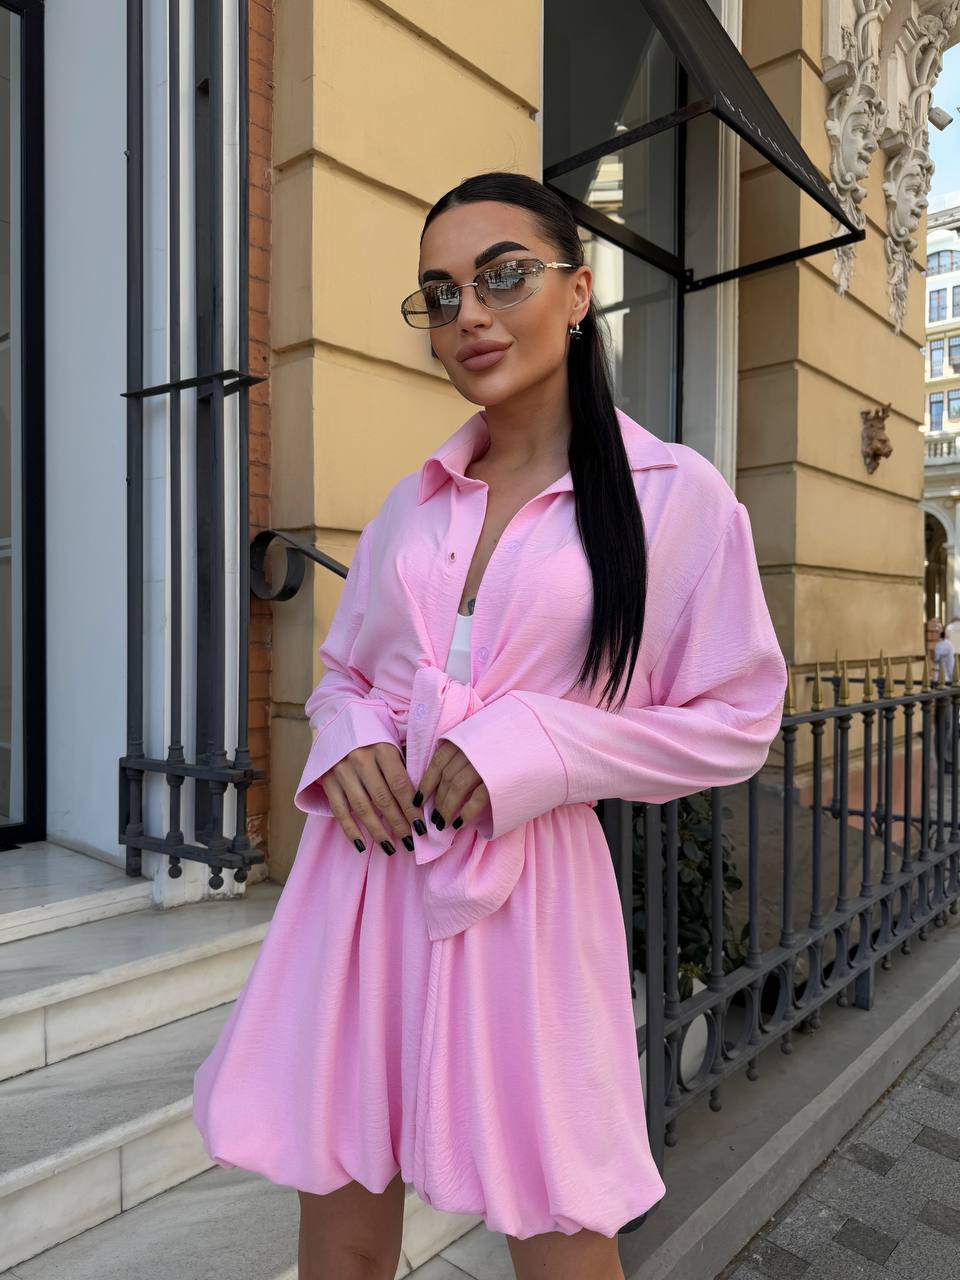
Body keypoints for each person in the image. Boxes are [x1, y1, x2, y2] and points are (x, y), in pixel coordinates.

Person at [191, 171, 788, 1280]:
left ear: (578, 291)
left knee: (561, 1222)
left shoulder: (674, 496)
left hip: (530, 894)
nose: (468, 312)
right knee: (341, 1219)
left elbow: (738, 718)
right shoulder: (414, 500)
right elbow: (345, 675)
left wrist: (540, 745)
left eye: (502, 276)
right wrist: (348, 740)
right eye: (440, 292)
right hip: (364, 877)